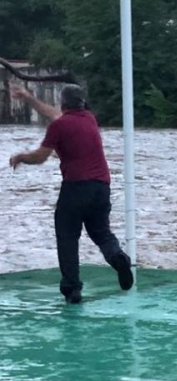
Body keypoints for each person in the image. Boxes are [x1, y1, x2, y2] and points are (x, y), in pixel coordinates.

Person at [9, 83, 133, 304]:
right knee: (101, 232)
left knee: (67, 236)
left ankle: (72, 288)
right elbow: (55, 115)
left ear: (63, 103)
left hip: (76, 186)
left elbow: (40, 157)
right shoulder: (89, 119)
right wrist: (28, 98)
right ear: (82, 103)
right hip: (102, 186)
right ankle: (118, 258)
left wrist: (21, 157)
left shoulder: (59, 127)